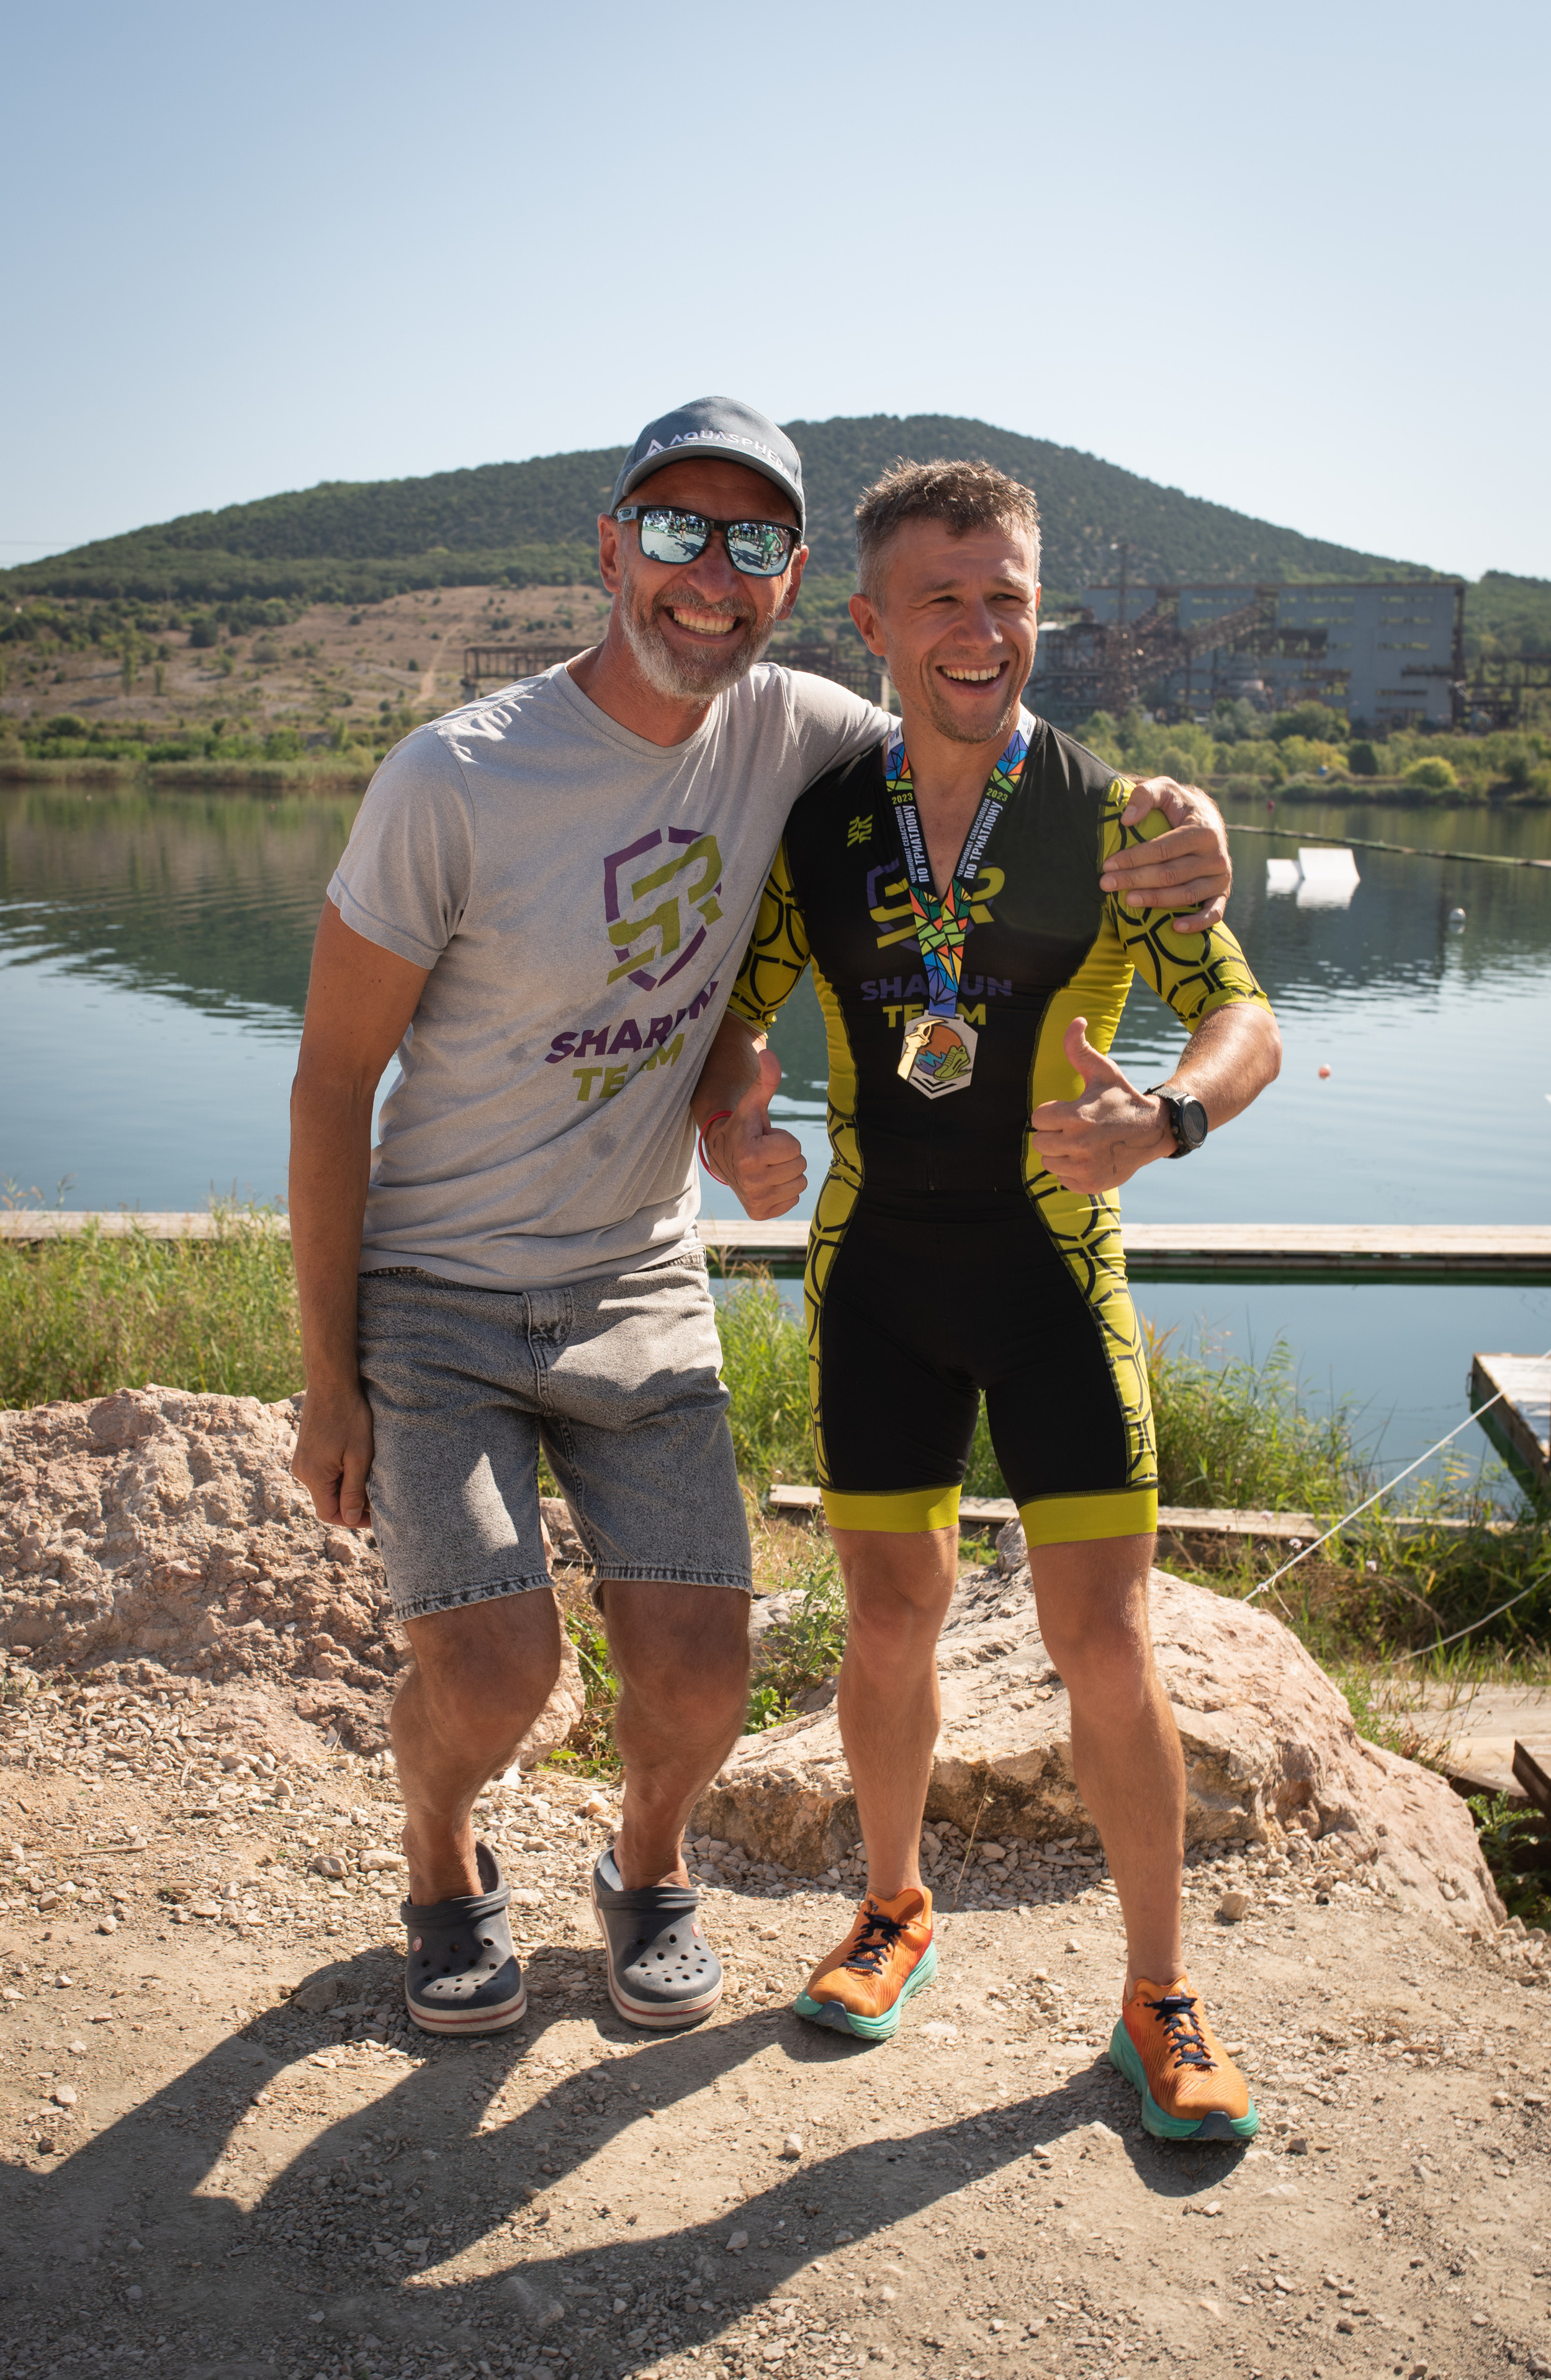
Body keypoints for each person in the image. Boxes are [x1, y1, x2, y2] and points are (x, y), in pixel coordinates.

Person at [288, 394, 1236, 2042]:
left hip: (763, 1282)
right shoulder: (540, 780)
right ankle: (507, 1862)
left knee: (846, 1664)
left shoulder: (942, 771)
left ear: (792, 586)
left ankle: (686, 1869)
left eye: (745, 542)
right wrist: (331, 1373)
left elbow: (1151, 922)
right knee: (613, 1658)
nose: (706, 573)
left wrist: (1191, 923)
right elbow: (356, 1077)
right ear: (613, 549)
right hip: (556, 1290)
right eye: (673, 531)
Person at [691, 458, 1280, 2140]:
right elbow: (743, 1008)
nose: (979, 627)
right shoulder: (823, 820)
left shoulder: (1119, 825)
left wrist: (1165, 1119)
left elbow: (1250, 1023)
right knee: (890, 1618)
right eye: (941, 596)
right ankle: (893, 1907)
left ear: (1043, 613)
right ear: (870, 623)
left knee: (1103, 1638)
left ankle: (1158, 1998)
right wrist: (739, 1115)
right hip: (876, 1276)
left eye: (1008, 593)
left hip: (1050, 1282)